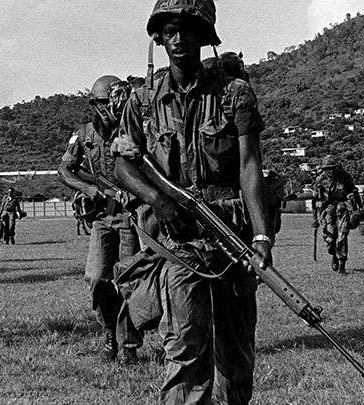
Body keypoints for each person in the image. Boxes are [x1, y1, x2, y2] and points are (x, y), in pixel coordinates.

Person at [113, 0, 272, 401]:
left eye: (187, 29)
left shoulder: (235, 94)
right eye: (169, 31)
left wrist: (262, 238)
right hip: (180, 243)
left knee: (235, 355)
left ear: (204, 36)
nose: (178, 38)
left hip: (230, 234)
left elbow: (249, 166)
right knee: (184, 348)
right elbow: (123, 165)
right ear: (159, 38)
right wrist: (158, 201)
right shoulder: (143, 100)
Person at [58, 75, 143, 363]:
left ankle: (128, 346)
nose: (115, 106)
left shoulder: (133, 130)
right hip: (102, 217)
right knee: (97, 278)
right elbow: (65, 171)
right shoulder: (83, 135)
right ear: (96, 104)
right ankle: (110, 333)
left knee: (130, 282)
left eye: (120, 100)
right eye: (109, 101)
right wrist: (90, 190)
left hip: (132, 216)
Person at [312, 155, 355, 273]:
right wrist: (314, 219)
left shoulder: (344, 177)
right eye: (326, 168)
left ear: (336, 167)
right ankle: (334, 255)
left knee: (342, 236)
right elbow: (314, 199)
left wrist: (354, 206)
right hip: (327, 210)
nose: (329, 171)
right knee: (330, 239)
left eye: (331, 168)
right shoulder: (320, 179)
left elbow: (353, 191)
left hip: (342, 208)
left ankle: (342, 265)